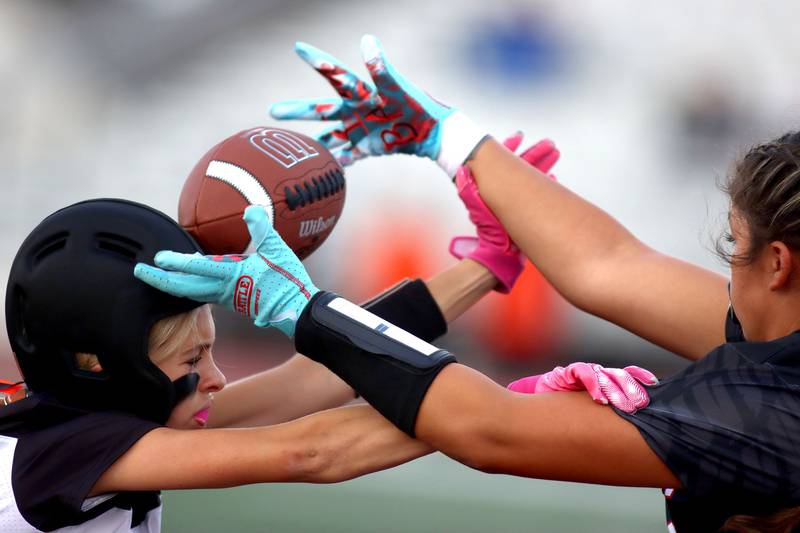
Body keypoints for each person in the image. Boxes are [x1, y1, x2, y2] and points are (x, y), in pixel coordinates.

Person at [139, 35, 800, 532]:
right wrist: (448, 138)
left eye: (733, 247)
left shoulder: (770, 414)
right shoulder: (778, 328)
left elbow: (489, 432)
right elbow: (609, 265)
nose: (725, 270)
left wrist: (303, 306)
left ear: (778, 264)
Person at [0, 156, 650, 529]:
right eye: (194, 359)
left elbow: (310, 379)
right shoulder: (65, 449)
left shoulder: (112, 410)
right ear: (96, 363)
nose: (218, 378)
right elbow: (311, 450)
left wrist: (486, 265)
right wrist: (513, 411)